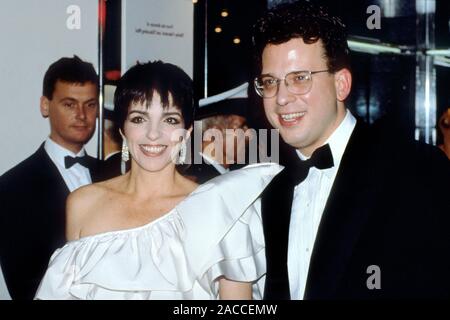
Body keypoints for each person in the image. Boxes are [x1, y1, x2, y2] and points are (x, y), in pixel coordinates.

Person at [252, 1, 450, 299]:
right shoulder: (266, 186)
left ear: (341, 84)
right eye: (270, 82)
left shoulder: (415, 169)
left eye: (299, 79)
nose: (281, 98)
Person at [35, 61, 281, 300]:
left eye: (170, 120)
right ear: (122, 130)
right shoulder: (83, 204)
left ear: (187, 133)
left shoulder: (221, 210)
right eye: (139, 119)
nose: (153, 134)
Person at [0, 56, 106, 300]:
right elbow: (25, 287)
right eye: (70, 104)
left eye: (90, 105)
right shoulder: (11, 188)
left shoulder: (115, 174)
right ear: (45, 106)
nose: (82, 115)